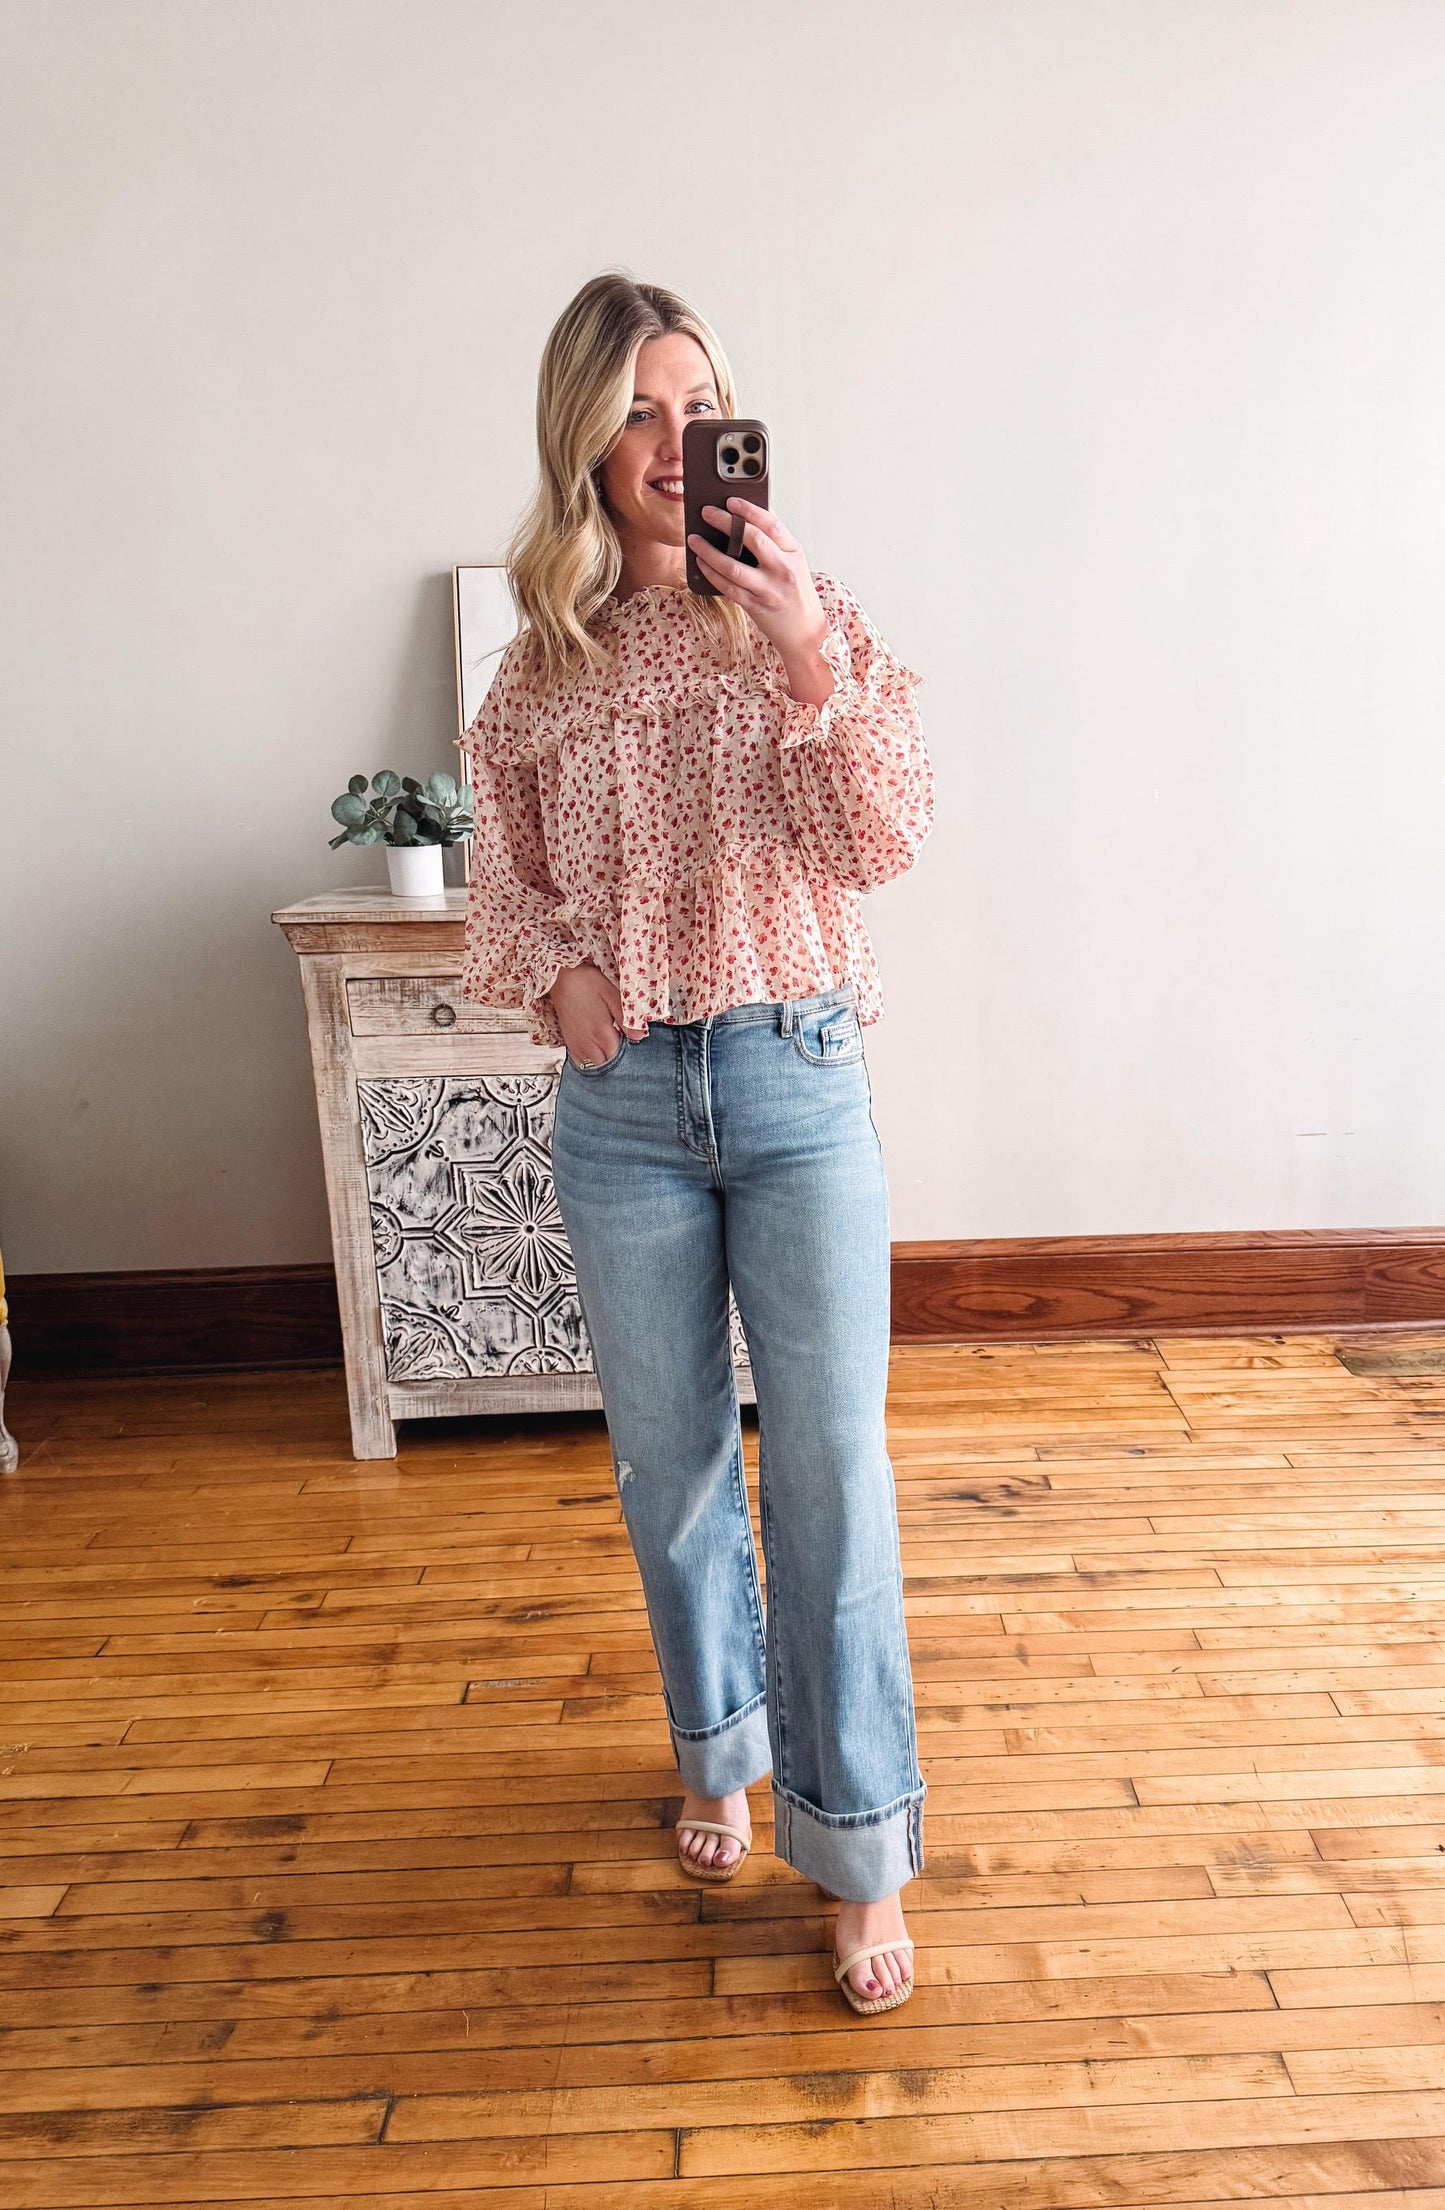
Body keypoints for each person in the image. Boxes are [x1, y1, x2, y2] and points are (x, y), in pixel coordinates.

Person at [460, 271, 934, 2015]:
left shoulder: (805, 616)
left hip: (799, 1083)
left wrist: (804, 639)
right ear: (582, 438)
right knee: (671, 1478)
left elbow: (882, 835)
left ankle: (859, 1848)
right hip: (628, 1111)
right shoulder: (542, 665)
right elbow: (499, 877)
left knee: (826, 1481)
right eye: (639, 412)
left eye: (699, 406)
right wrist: (562, 979)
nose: (672, 444)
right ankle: (718, 1749)